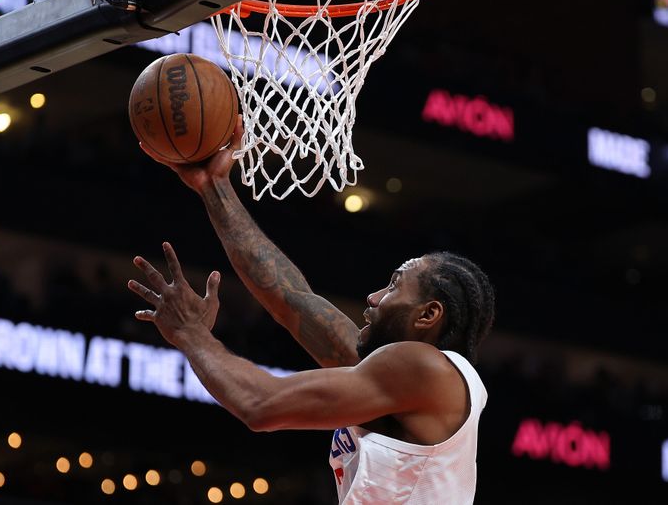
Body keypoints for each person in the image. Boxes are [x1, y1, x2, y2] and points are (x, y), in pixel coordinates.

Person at [128, 116, 496, 504]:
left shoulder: (424, 367)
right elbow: (292, 299)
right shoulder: (405, 379)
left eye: (393, 285)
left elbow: (261, 405)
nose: (373, 297)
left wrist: (191, 334)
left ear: (428, 315)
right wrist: (214, 186)